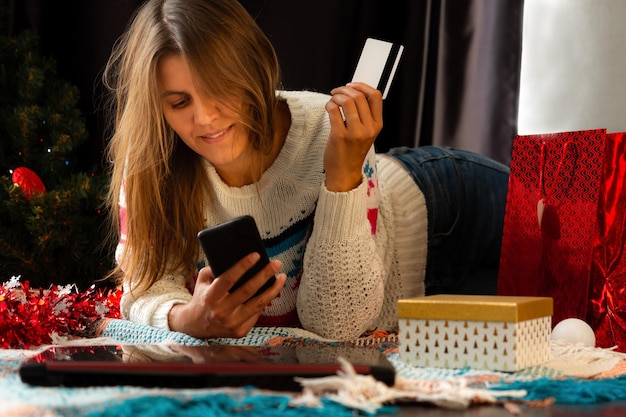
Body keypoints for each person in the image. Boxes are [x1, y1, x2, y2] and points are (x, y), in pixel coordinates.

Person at [103, 0, 510, 342]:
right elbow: (144, 291)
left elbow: (341, 324)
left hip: (447, 204)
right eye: (179, 103)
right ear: (156, 106)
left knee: (569, 237)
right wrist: (187, 318)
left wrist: (344, 176)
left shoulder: (321, 128)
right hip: (411, 304)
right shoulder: (151, 167)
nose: (205, 117)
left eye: (219, 88)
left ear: (251, 71)